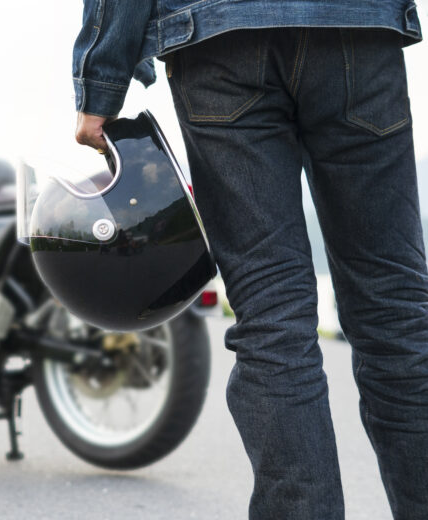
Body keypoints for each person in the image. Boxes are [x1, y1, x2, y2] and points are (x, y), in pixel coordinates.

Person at [71, 2, 427, 519]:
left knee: (272, 312)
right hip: (356, 26)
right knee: (395, 310)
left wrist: (101, 81)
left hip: (222, 42)